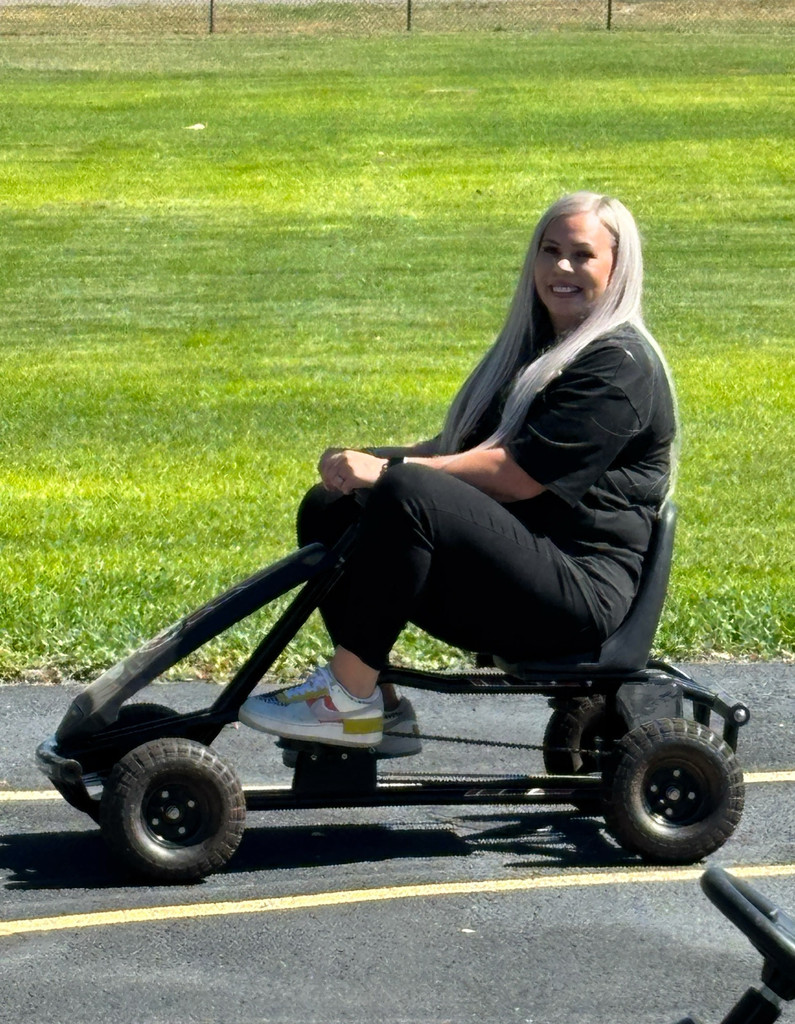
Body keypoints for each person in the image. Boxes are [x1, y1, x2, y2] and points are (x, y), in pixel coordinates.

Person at [239, 191, 677, 756]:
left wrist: (391, 470)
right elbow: (460, 448)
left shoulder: (618, 366)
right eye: (549, 251)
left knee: (406, 488)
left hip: (579, 594)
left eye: (582, 255)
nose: (561, 268)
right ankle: (377, 709)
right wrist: (363, 462)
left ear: (616, 269)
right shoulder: (539, 349)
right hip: (524, 566)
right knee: (333, 504)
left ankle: (343, 697)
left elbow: (514, 475)